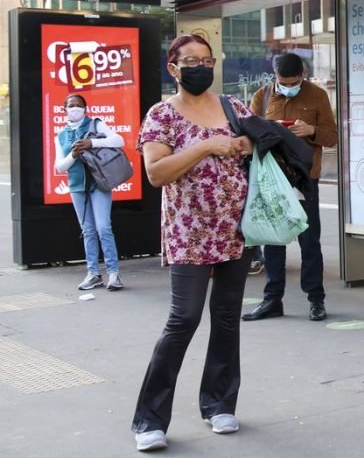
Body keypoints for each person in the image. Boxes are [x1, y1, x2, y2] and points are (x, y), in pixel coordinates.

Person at [131, 34, 254, 452]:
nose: (201, 67)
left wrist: (245, 143)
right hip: (188, 232)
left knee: (226, 317)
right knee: (183, 318)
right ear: (174, 68)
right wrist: (206, 145)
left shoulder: (234, 107)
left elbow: (255, 145)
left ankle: (219, 404)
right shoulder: (161, 115)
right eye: (191, 61)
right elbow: (157, 173)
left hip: (234, 228)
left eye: (207, 59)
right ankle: (149, 419)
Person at [242, 52, 338, 322]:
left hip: (305, 179)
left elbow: (332, 137)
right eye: (283, 82)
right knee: (274, 241)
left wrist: (311, 131)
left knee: (309, 241)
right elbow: (248, 133)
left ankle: (316, 300)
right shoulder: (262, 96)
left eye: (294, 81)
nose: (288, 86)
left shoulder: (317, 95)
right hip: (273, 179)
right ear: (275, 77)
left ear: (302, 76)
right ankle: (272, 300)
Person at [54, 94, 125, 291]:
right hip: (77, 185)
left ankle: (113, 273)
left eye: (79, 105)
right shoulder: (61, 135)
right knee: (88, 230)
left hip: (99, 182)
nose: (75, 109)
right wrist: (73, 155)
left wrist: (92, 143)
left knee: (103, 228)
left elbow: (118, 140)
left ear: (85, 108)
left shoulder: (95, 124)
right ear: (64, 109)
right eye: (71, 106)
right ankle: (93, 273)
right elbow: (60, 166)